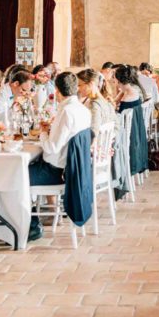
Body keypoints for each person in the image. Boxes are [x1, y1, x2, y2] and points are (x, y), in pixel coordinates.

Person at [27, 72, 92, 240]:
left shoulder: (67, 112)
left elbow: (52, 147)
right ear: (76, 88)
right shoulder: (83, 110)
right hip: (73, 170)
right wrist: (51, 130)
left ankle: (29, 226)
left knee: (16, 175)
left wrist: (42, 133)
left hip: (57, 172)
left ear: (57, 91)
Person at [76, 68, 117, 133]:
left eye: (79, 85)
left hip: (95, 142)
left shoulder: (94, 104)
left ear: (90, 84)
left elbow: (93, 131)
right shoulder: (107, 103)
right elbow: (116, 126)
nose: (78, 89)